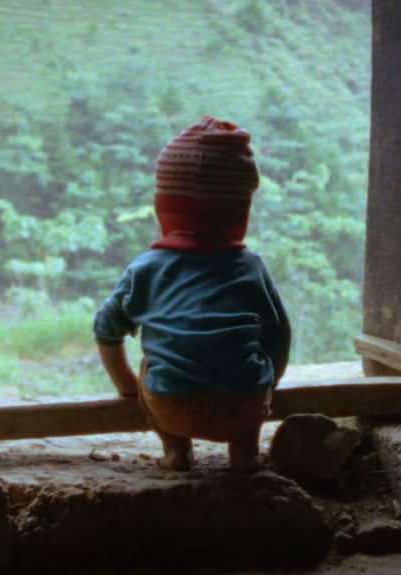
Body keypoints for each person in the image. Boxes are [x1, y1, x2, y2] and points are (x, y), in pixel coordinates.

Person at [93, 116, 291, 471]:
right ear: (240, 211)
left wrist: (126, 385)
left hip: (172, 405)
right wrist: (268, 382)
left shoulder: (146, 268)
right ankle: (244, 452)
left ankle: (176, 452)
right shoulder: (250, 267)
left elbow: (106, 328)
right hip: (243, 405)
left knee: (149, 364)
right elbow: (279, 333)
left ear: (164, 205)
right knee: (253, 360)